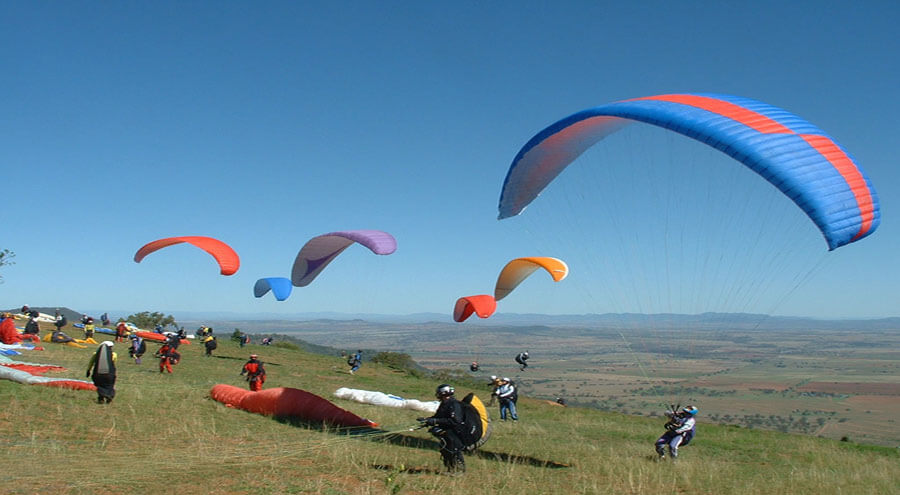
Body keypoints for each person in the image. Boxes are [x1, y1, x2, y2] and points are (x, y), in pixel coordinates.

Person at [417, 384, 466, 474]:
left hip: (454, 432)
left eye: (439, 393)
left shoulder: (454, 404)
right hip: (446, 432)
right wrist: (427, 420)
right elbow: (438, 416)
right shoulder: (444, 403)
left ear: (444, 393)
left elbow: (454, 421)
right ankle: (450, 469)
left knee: (453, 450)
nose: (438, 395)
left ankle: (459, 470)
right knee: (445, 450)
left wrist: (435, 420)